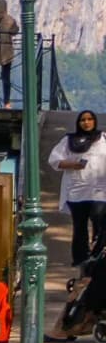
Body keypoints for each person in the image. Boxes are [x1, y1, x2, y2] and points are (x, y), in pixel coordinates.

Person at [50, 110, 106, 267]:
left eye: (89, 119)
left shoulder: (103, 139)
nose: (86, 122)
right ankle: (80, 259)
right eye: (83, 120)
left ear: (94, 121)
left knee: (99, 219)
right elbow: (54, 161)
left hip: (101, 191)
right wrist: (73, 164)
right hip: (77, 191)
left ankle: (98, 255)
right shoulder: (69, 141)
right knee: (79, 226)